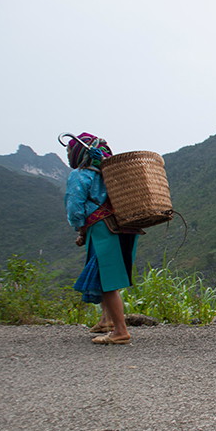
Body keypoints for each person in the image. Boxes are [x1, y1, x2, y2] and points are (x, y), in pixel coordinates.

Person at [63, 133, 137, 345]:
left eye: (69, 150)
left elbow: (75, 208)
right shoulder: (112, 174)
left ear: (79, 152)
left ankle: (120, 331)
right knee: (108, 273)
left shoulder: (81, 175)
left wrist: (80, 230)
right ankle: (106, 321)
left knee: (106, 278)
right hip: (123, 227)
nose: (68, 155)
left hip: (102, 229)